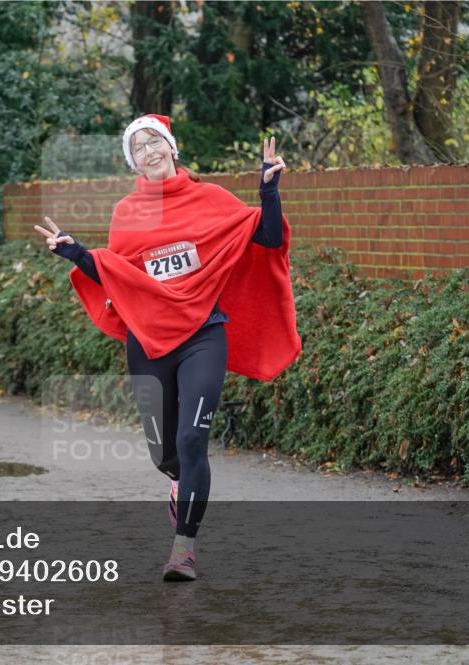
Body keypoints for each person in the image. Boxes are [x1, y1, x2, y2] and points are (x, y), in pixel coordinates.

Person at [36, 115, 301, 581]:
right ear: (132, 161)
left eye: (154, 141)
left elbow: (268, 237)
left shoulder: (211, 199)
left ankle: (184, 549)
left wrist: (268, 191)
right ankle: (178, 482)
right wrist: (77, 253)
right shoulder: (128, 212)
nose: (149, 151)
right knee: (166, 454)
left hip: (204, 333)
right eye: (138, 147)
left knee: (192, 439)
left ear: (171, 147)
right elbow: (118, 274)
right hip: (149, 340)